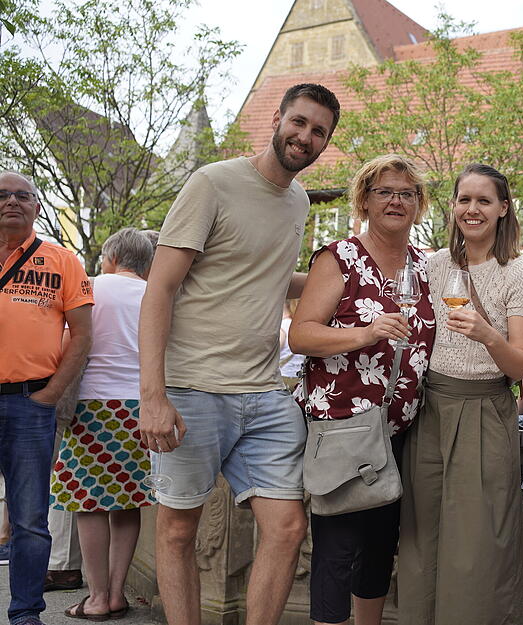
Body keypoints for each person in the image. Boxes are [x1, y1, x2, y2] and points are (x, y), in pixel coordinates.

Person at [137, 83, 340, 625]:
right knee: (178, 528)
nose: (305, 136)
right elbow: (160, 288)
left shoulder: (298, 201)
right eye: (299, 122)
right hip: (193, 386)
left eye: (318, 131)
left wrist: (353, 280)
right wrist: (152, 396)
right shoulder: (213, 183)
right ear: (277, 119)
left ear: (325, 143)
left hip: (265, 391)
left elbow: (270, 277)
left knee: (288, 527)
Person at [289, 154, 434, 625]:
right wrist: (365, 333)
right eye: (384, 191)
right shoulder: (339, 258)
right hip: (344, 428)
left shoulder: (425, 265)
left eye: (406, 193)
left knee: (379, 548)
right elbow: (301, 335)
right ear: (364, 201)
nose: (396, 201)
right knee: (336, 549)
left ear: (419, 204)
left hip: (400, 431)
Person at [397, 164, 523, 625]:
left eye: (484, 200)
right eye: (464, 200)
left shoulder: (520, 274)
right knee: (421, 541)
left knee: (478, 547)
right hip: (430, 412)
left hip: (485, 411)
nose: (472, 209)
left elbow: (521, 366)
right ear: (453, 206)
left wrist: (488, 335)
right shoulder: (432, 265)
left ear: (503, 209)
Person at [46, 228, 156, 619]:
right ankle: (117, 594)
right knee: (128, 502)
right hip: (142, 407)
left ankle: (96, 598)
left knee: (88, 502)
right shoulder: (155, 293)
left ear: (111, 257)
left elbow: (65, 344)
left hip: (92, 406)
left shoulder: (90, 287)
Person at [0, 171, 94, 625]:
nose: (12, 202)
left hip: (28, 404)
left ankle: (25, 614)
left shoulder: (62, 261)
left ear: (37, 207)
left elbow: (83, 335)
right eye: (3, 195)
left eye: (23, 196)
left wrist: (51, 394)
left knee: (30, 519)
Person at [278, 301, 304, 388]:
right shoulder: (296, 326)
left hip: (283, 379)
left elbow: (270, 354)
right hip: (298, 378)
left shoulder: (281, 327)